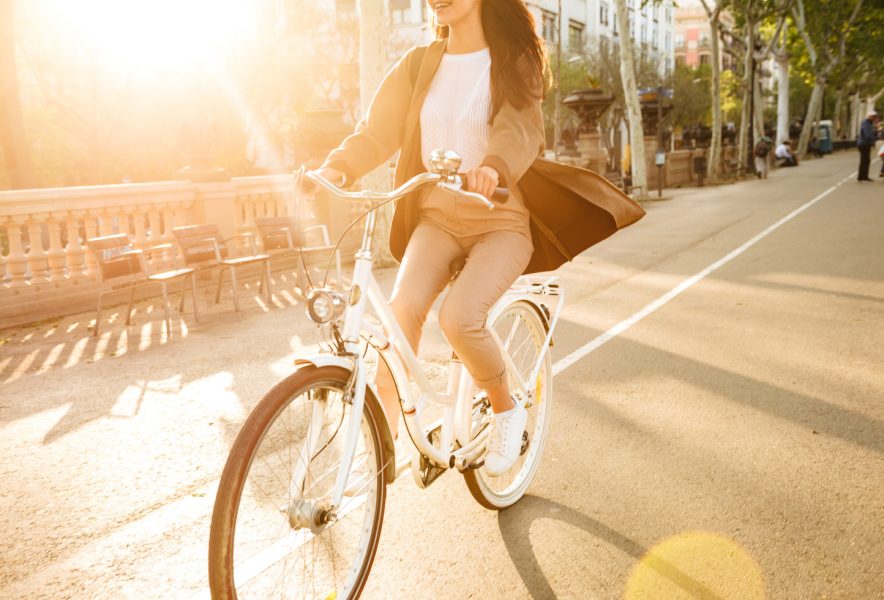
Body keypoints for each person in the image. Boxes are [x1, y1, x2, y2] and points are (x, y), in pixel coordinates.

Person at [315, 0, 550, 476]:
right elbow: (377, 131)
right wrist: (336, 166)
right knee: (399, 319)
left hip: (499, 219)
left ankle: (507, 409)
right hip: (437, 218)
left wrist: (492, 168)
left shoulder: (512, 60)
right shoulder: (419, 64)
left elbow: (519, 129)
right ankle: (385, 441)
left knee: (460, 318)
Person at [857, 110, 879, 182]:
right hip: (864, 144)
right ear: (870, 117)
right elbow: (868, 135)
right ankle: (863, 176)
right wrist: (876, 138)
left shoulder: (870, 123)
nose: (875, 118)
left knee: (866, 160)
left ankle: (863, 176)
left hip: (865, 144)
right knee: (865, 160)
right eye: (874, 116)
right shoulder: (866, 123)